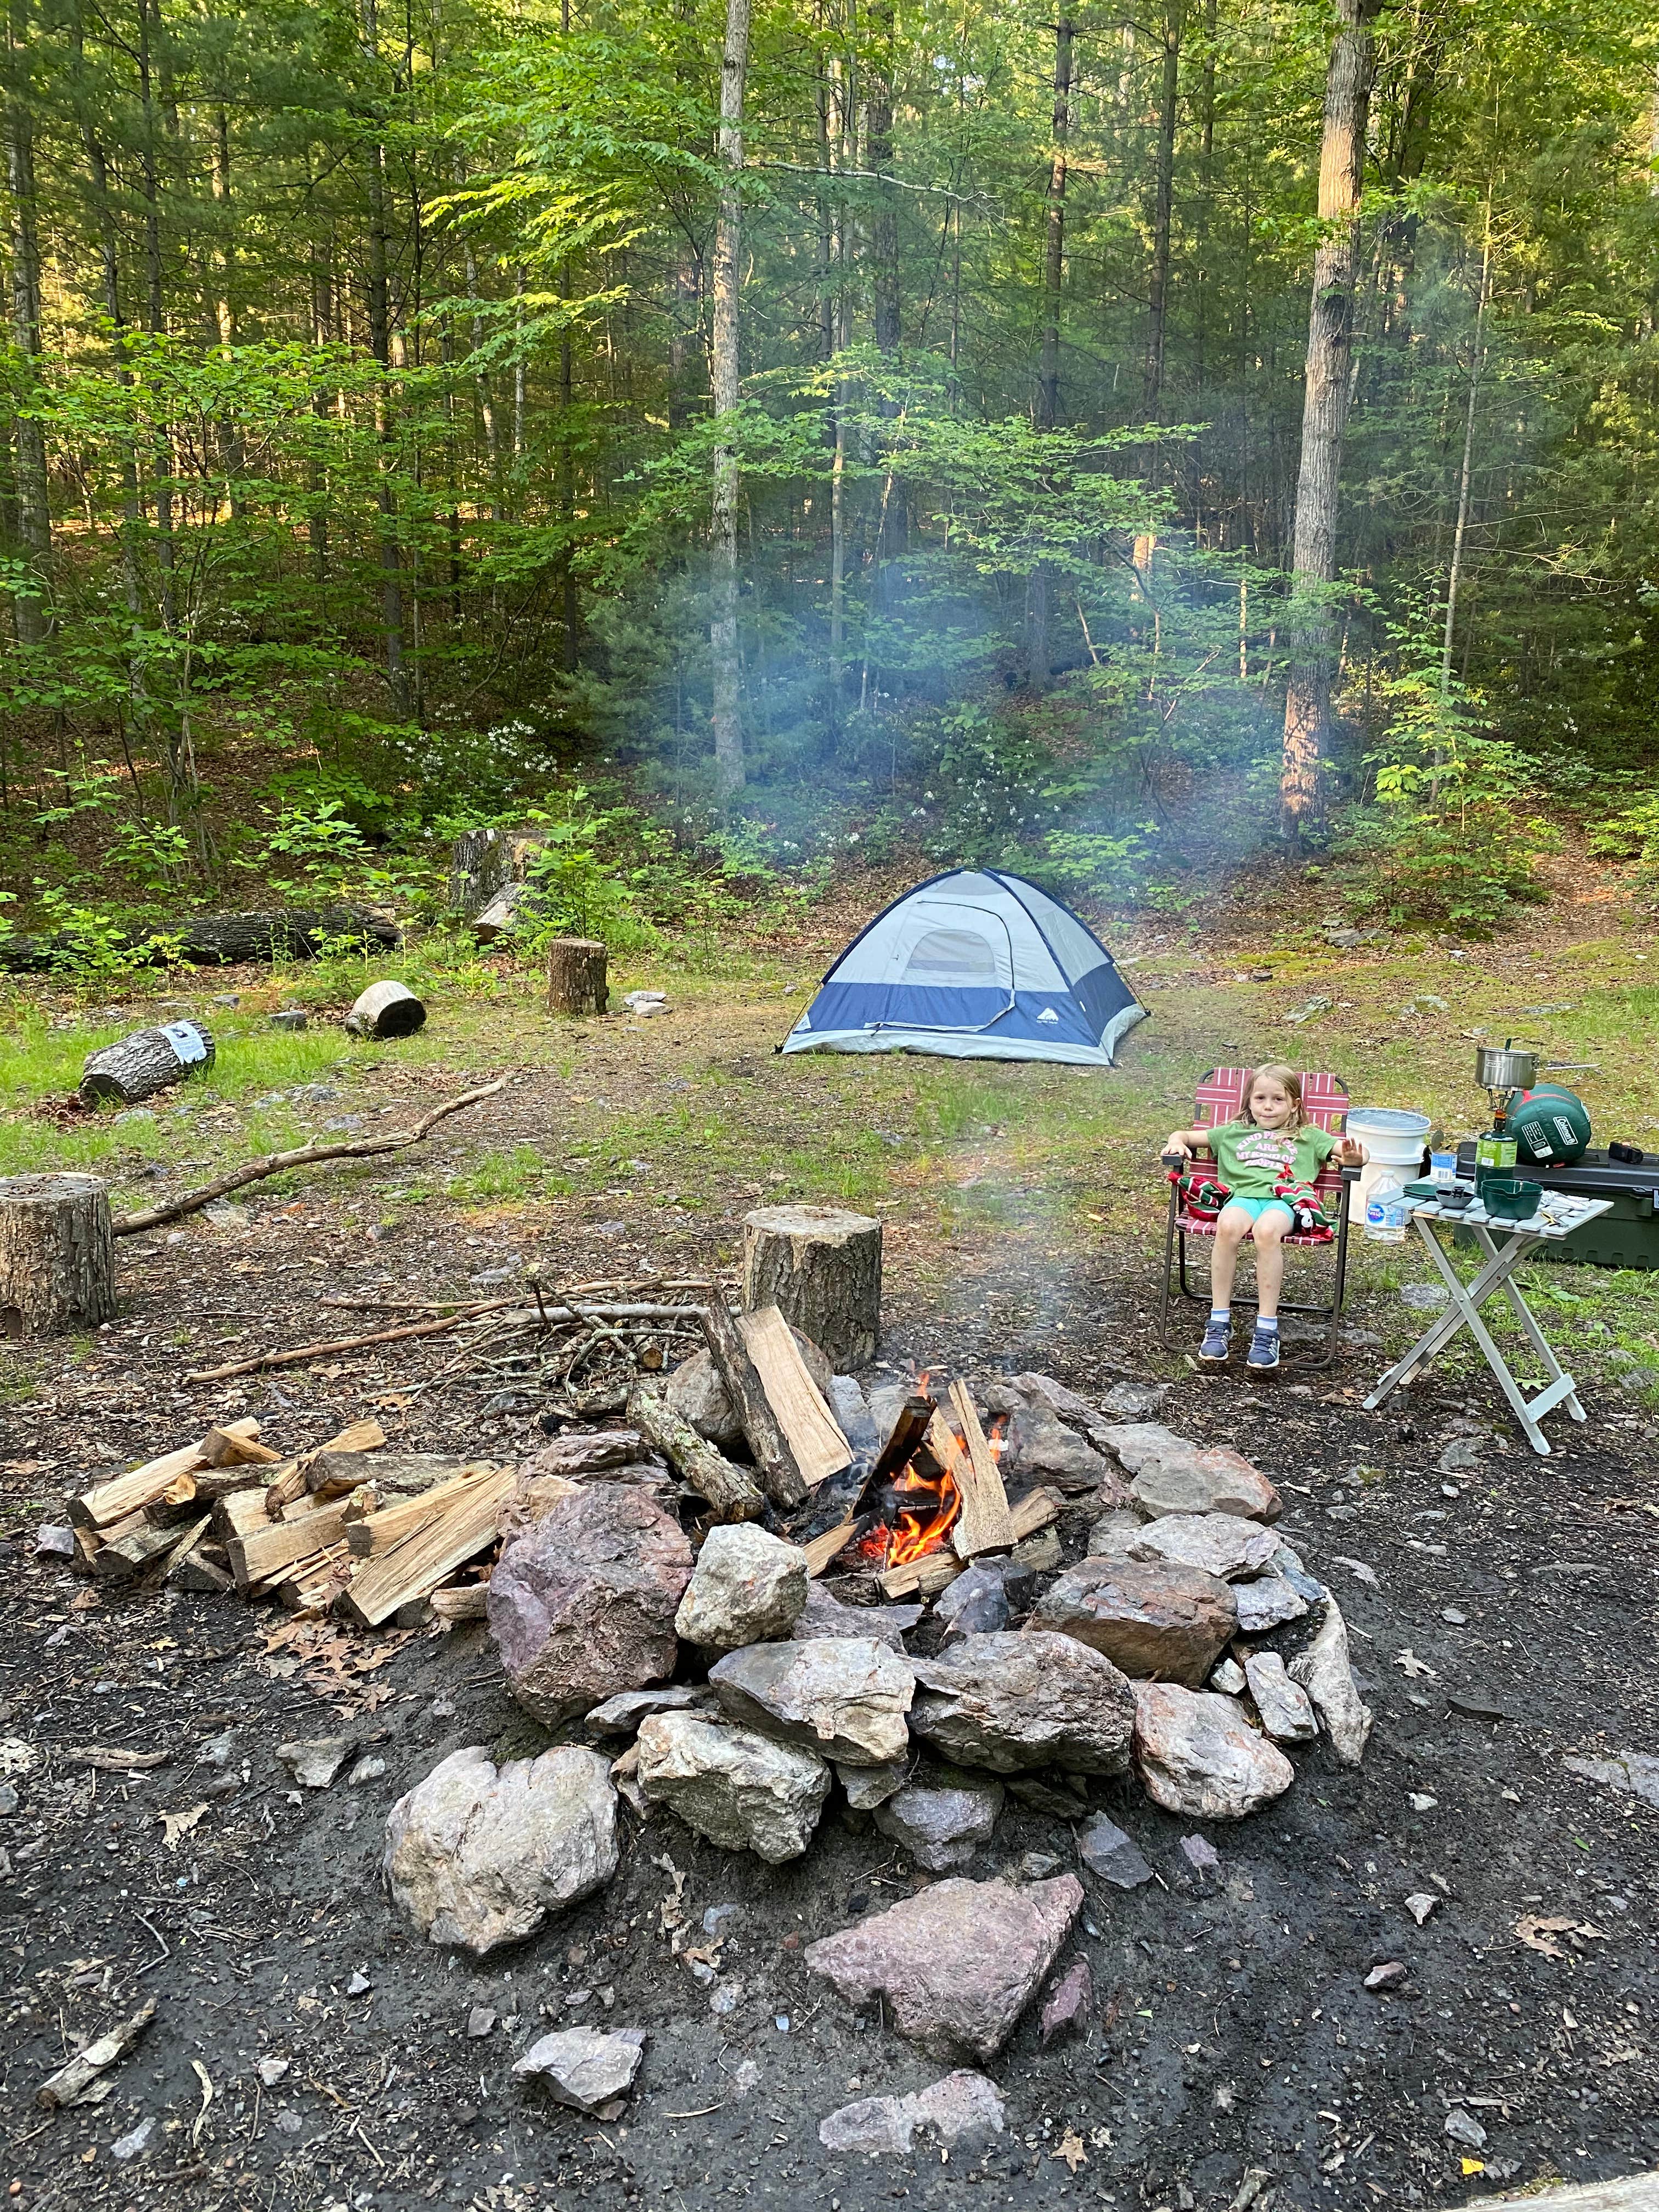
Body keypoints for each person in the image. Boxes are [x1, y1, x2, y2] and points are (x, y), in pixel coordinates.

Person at [1164, 1064, 1367, 1372]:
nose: (1268, 1107)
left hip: (1285, 1201)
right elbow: (1184, 1135)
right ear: (1249, 1102)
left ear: (1295, 1104)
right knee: (1228, 1226)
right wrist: (1177, 1142)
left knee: (1267, 1232)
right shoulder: (1233, 1132)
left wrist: (1354, 1158)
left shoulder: (1309, 1136)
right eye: (1260, 1098)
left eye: (1278, 1100)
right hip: (1242, 1198)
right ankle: (1219, 1321)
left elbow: (1359, 1155)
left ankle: (1267, 1328)